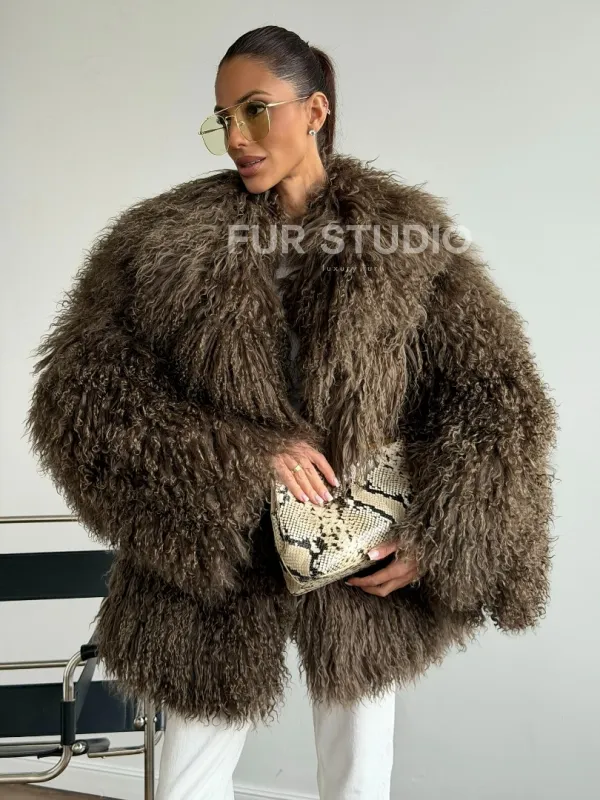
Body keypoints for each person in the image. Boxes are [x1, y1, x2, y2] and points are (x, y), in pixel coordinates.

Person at [25, 24, 558, 800]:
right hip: (216, 550)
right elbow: (80, 393)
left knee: (357, 776)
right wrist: (244, 453)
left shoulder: (402, 238)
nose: (236, 138)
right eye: (222, 118)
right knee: (188, 781)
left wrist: (441, 536)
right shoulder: (163, 239)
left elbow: (498, 397)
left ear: (314, 110)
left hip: (355, 551)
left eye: (255, 110)